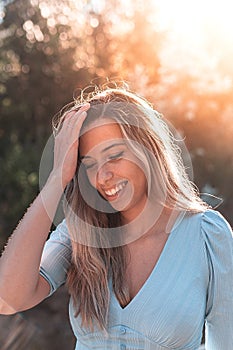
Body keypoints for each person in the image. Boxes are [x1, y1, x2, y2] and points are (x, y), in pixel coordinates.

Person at [0, 86, 233, 350]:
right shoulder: (79, 232)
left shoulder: (207, 236)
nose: (102, 176)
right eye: (89, 164)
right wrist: (57, 179)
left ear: (149, 149)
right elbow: (8, 298)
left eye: (114, 156)